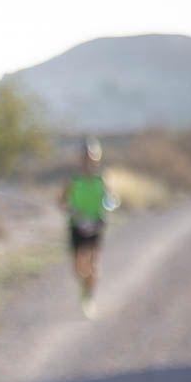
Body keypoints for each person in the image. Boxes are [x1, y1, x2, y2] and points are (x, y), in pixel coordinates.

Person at [59, 137, 118, 319]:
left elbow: (111, 200)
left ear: (97, 158)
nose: (89, 160)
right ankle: (83, 289)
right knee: (78, 268)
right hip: (77, 226)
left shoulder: (102, 180)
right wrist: (73, 210)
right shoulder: (73, 180)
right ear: (81, 159)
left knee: (93, 264)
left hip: (96, 224)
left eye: (92, 157)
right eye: (86, 157)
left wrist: (108, 207)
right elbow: (62, 201)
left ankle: (88, 299)